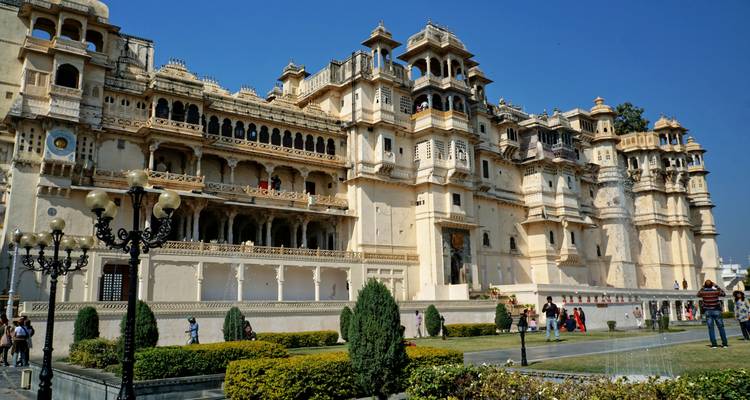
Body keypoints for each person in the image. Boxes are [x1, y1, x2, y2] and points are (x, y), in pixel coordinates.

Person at [697, 280, 728, 348]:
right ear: (712, 285)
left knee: (711, 328)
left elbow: (698, 294)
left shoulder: (703, 292)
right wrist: (716, 286)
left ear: (705, 285)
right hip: (716, 310)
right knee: (721, 327)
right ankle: (725, 344)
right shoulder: (715, 291)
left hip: (708, 311)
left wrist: (702, 287)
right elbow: (723, 293)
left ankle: (714, 344)